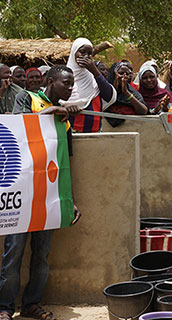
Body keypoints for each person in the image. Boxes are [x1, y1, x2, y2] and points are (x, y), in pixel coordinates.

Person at [0, 65, 81, 320]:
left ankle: (32, 303)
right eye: (65, 83)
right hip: (22, 191)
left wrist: (70, 199)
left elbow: (65, 162)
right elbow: (19, 128)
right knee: (13, 252)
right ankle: (4, 306)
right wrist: (51, 112)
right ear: (50, 81)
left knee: (42, 254)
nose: (69, 88)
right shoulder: (28, 98)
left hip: (49, 194)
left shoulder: (66, 119)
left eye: (72, 84)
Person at [63, 38, 116, 133]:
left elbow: (109, 96)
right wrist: (67, 108)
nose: (86, 56)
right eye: (82, 52)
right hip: (70, 134)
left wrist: (94, 70)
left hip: (94, 133)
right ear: (74, 53)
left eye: (89, 53)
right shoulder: (63, 77)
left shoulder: (94, 78)